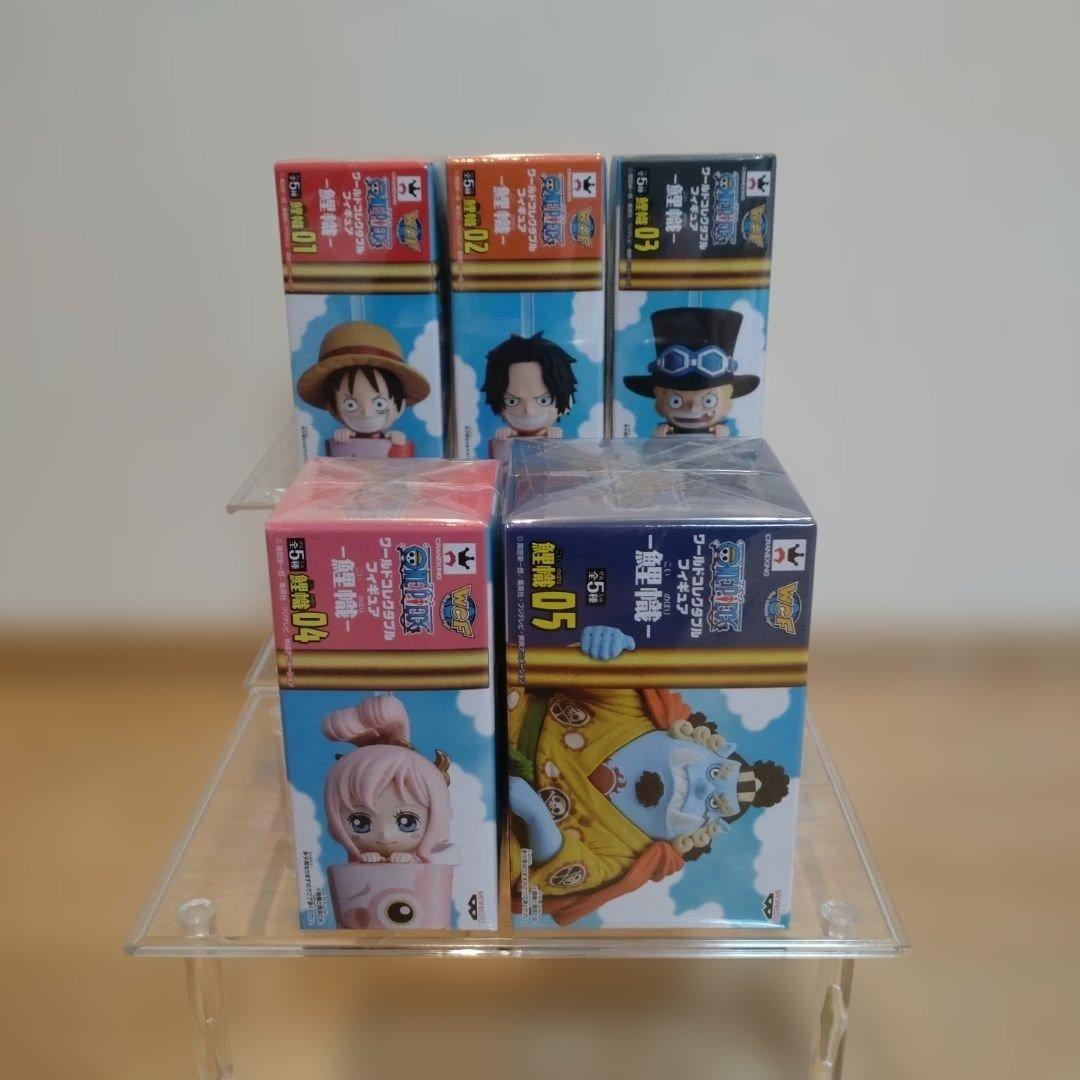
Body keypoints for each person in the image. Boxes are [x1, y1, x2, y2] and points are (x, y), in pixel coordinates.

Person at [507, 625, 789, 925]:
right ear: (702, 743)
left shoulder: (626, 853)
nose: (701, 788)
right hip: (512, 715)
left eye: (714, 803)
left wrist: (537, 816)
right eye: (715, 772)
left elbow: (571, 865)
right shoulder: (634, 714)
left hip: (508, 821)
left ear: (701, 831)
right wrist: (606, 647)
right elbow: (592, 672)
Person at [323, 695, 452, 864]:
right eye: (359, 822)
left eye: (408, 822)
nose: (385, 835)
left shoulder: (439, 855)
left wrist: (412, 858)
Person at [296, 322, 431, 457]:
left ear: (400, 406)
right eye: (350, 405)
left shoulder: (391, 438)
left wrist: (396, 441)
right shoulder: (344, 439)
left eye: (379, 404)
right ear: (332, 409)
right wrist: (343, 438)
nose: (366, 412)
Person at [623, 307, 759, 437]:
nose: (693, 409)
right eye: (675, 401)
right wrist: (659, 437)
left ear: (726, 405)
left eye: (709, 401)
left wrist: (722, 435)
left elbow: (729, 451)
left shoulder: (718, 429)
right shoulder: (668, 430)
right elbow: (650, 451)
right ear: (660, 405)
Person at [480, 332, 578, 443]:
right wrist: (504, 441)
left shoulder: (552, 434)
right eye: (512, 401)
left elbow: (558, 453)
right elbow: (500, 453)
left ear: (568, 401)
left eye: (543, 400)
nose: (528, 411)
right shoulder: (508, 435)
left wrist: (554, 439)